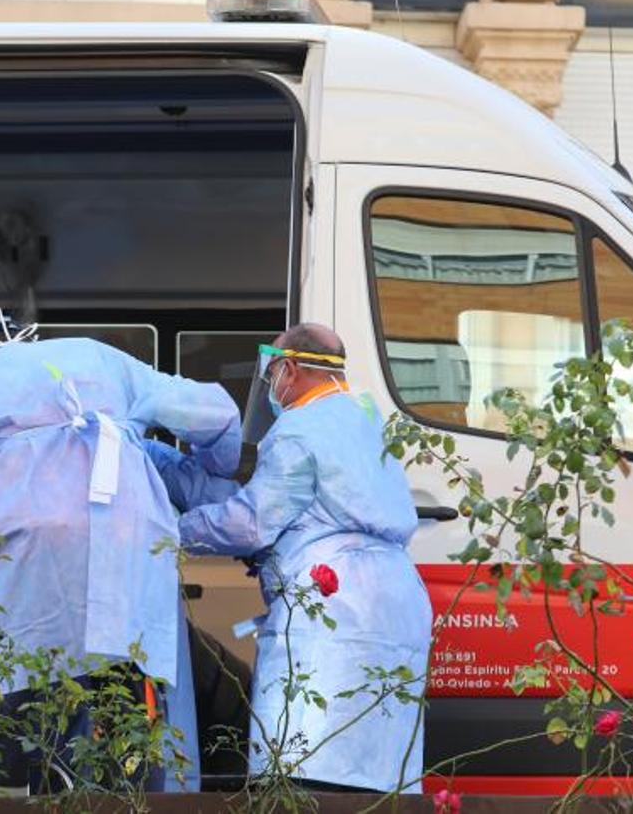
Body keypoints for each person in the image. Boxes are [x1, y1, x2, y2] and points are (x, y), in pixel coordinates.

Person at [0, 313, 242, 792]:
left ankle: (48, 788)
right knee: (130, 700)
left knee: (34, 704)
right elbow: (216, 414)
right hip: (128, 535)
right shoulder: (99, 358)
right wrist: (217, 463)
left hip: (30, 550)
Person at [145, 324, 431, 793]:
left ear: (290, 369)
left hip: (334, 605)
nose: (271, 387)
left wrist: (170, 532)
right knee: (377, 774)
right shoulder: (365, 417)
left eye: (272, 372)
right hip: (398, 602)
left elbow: (251, 522)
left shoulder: (296, 430)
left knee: (301, 764)